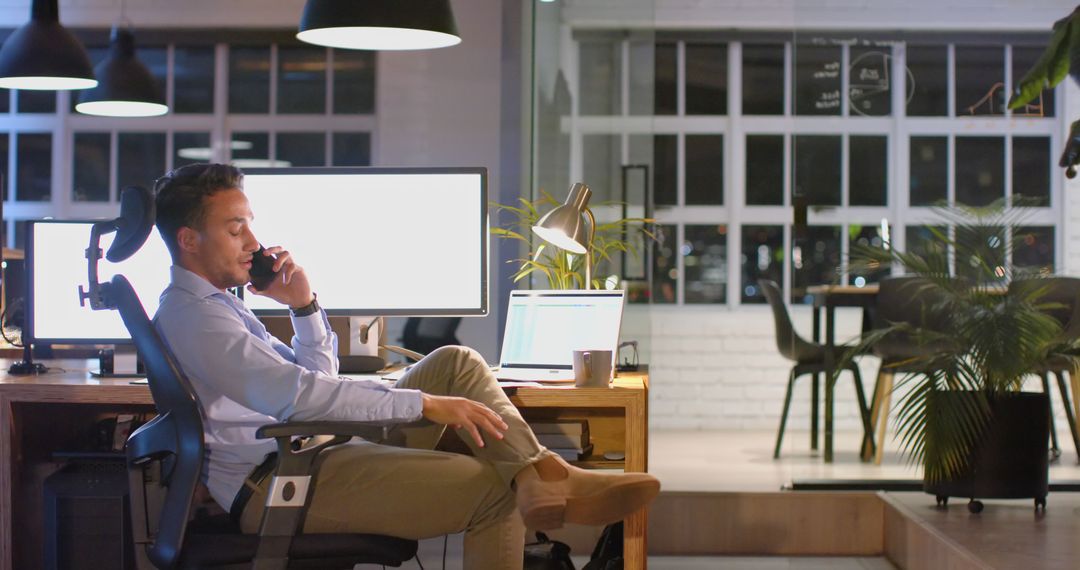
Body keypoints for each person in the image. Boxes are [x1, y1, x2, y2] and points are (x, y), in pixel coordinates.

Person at [151, 163, 659, 569]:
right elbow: (300, 397)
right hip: (280, 480)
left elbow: (316, 383)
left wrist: (303, 307)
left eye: (251, 227)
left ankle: (543, 475)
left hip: (312, 449)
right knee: (492, 489)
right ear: (189, 240)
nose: (253, 244)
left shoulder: (221, 305)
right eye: (235, 229)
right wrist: (426, 404)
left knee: (455, 362)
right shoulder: (196, 319)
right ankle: (537, 479)